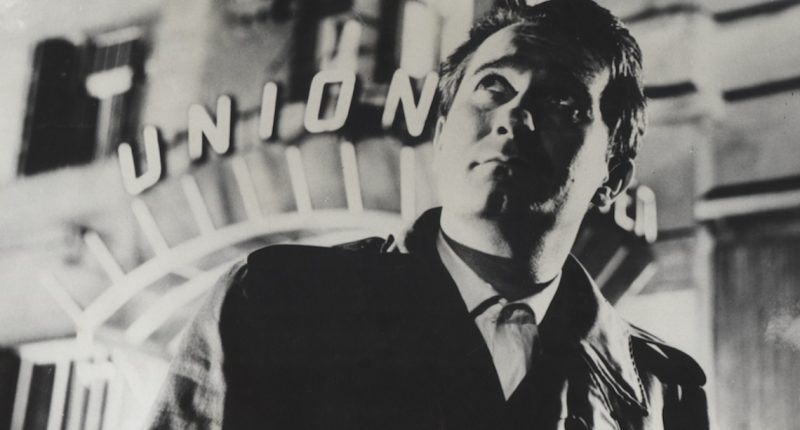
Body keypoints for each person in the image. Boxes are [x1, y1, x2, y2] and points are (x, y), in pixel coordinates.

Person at [148, 0, 709, 429]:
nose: (515, 116)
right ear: (441, 134)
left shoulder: (664, 392)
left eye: (563, 103)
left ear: (612, 176)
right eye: (494, 86)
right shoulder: (276, 301)